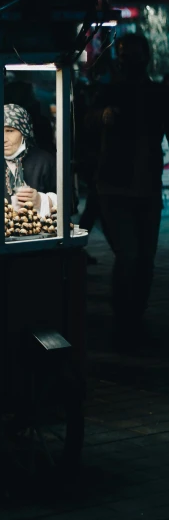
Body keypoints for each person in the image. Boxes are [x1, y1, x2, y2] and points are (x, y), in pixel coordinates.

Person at [89, 34, 169, 351]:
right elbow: (88, 119)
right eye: (125, 55)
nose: (129, 61)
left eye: (133, 55)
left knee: (143, 259)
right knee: (131, 256)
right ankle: (126, 322)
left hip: (144, 186)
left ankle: (132, 320)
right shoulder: (111, 90)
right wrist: (101, 116)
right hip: (115, 186)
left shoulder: (155, 92)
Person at [0, 103, 56, 216]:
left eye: (10, 131)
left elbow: (70, 203)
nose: (3, 139)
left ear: (24, 132)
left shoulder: (44, 162)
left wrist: (42, 201)